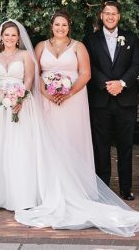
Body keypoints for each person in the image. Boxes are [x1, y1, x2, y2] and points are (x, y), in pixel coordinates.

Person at [0, 19, 139, 237]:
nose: (10, 38)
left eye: (13, 35)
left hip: (49, 101)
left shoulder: (40, 53)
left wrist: (28, 96)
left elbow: (33, 78)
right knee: (1, 150)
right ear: (1, 37)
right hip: (6, 108)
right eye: (6, 35)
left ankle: (42, 191)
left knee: (32, 146)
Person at [82, 1, 139, 200]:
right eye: (107, 13)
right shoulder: (90, 39)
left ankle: (126, 189)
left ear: (119, 16)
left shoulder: (131, 38)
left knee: (126, 146)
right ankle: (103, 189)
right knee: (101, 147)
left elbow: (136, 65)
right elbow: (88, 65)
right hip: (100, 100)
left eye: (114, 13)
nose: (110, 17)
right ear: (101, 16)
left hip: (126, 100)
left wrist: (122, 83)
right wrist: (107, 84)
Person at [35, 11, 94, 182]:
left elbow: (85, 74)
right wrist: (47, 94)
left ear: (69, 27)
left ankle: (74, 181)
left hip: (73, 100)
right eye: (57, 24)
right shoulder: (41, 46)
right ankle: (50, 181)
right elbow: (35, 73)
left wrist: (68, 93)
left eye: (64, 25)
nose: (60, 28)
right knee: (50, 138)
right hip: (46, 99)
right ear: (51, 26)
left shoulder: (78, 46)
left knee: (71, 137)